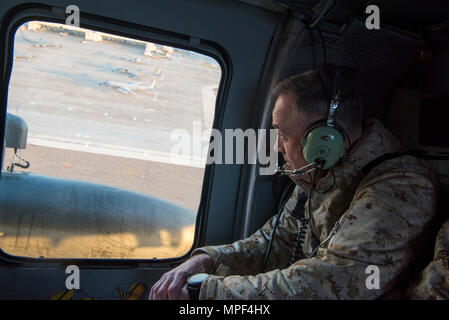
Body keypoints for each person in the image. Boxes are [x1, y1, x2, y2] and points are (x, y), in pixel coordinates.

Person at [149, 64, 439, 300]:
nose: (278, 147)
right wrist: (206, 260)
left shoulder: (401, 186)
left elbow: (327, 282)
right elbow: (275, 242)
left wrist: (208, 291)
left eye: (284, 135)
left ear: (325, 142)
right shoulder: (318, 175)